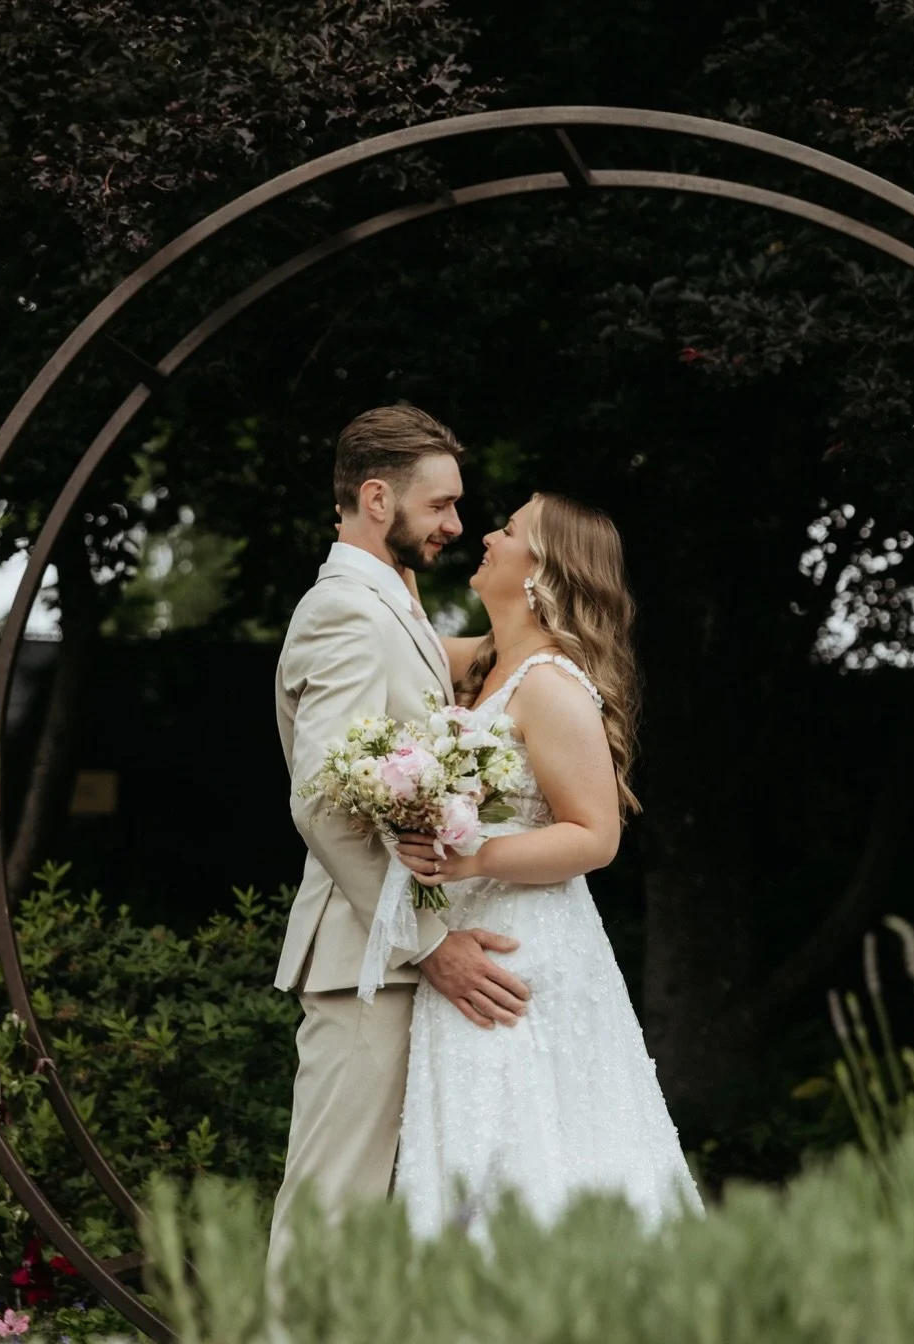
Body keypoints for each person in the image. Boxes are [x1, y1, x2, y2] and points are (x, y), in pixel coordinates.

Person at [391, 492, 704, 1238]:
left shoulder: (552, 685)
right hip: (466, 937)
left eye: (508, 530)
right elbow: (396, 636)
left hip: (523, 949)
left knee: (521, 1150)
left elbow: (595, 837)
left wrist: (467, 862)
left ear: (544, 573)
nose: (487, 538)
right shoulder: (488, 663)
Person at [267, 406, 531, 1271]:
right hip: (366, 956)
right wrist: (431, 943)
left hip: (392, 955)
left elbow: (466, 660)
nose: (457, 524)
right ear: (377, 498)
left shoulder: (396, 604)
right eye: (442, 505)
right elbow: (321, 800)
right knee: (332, 1209)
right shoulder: (344, 611)